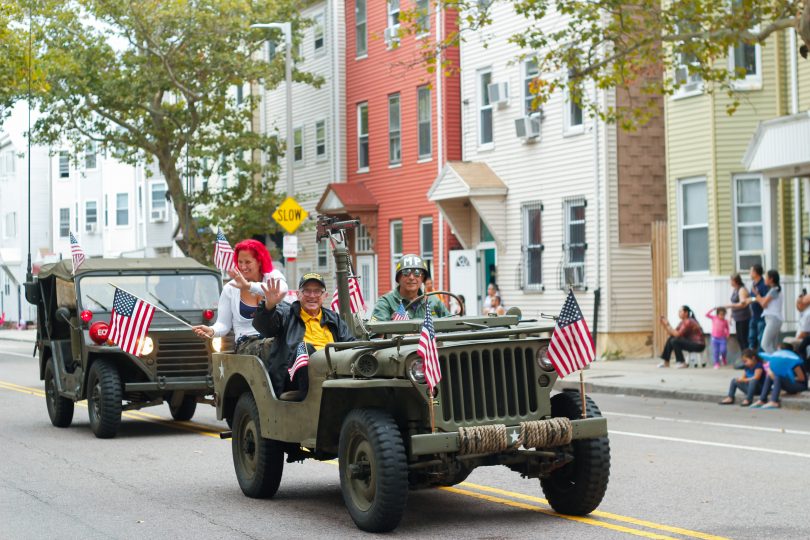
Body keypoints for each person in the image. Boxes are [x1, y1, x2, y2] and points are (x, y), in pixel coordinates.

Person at [253, 273, 355, 401]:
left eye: (317, 291)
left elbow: (350, 344)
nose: (312, 296)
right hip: (294, 377)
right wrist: (269, 306)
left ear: (324, 296)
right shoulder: (287, 314)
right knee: (305, 348)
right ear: (298, 294)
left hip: (332, 373)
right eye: (307, 291)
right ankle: (307, 395)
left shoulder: (333, 319)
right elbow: (265, 328)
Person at [192, 239, 287, 355]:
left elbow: (281, 291)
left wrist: (248, 286)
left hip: (275, 340)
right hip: (246, 344)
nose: (242, 266)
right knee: (271, 346)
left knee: (295, 345)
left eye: (247, 262)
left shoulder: (272, 276)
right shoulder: (231, 288)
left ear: (259, 261)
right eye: (240, 262)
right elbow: (223, 324)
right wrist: (212, 330)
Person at [370, 254, 450, 321]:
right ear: (398, 277)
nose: (411, 277)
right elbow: (376, 335)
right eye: (406, 272)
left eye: (417, 272)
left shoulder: (433, 301)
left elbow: (452, 325)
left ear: (423, 278)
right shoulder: (386, 302)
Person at [750, 343, 808, 409]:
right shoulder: (782, 362)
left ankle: (774, 401)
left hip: (800, 385)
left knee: (778, 376)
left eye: (779, 350)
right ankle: (762, 399)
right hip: (790, 384)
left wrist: (787, 379)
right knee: (769, 376)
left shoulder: (793, 361)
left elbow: (801, 378)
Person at [754, 269, 783, 354]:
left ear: (771, 279)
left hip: (773, 319)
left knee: (765, 344)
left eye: (766, 277)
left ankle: (776, 361)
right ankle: (776, 363)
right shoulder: (774, 290)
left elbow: (763, 304)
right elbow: (765, 302)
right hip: (773, 319)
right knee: (772, 345)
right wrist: (756, 298)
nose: (764, 279)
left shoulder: (774, 290)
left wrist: (757, 295)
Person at [725, 273, 751, 354]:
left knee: (743, 338)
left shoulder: (741, 290)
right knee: (739, 338)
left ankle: (746, 355)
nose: (730, 282)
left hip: (743, 318)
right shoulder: (735, 289)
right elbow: (734, 303)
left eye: (731, 280)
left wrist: (730, 306)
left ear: (735, 281)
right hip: (737, 318)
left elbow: (742, 304)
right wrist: (731, 316)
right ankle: (744, 356)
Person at [747, 264, 769, 350]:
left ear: (755, 273)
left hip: (762, 316)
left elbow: (764, 300)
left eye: (751, 271)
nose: (750, 273)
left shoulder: (763, 285)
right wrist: (749, 300)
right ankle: (750, 358)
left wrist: (753, 298)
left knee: (761, 339)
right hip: (754, 315)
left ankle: (760, 358)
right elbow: (752, 297)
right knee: (751, 338)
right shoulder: (753, 284)